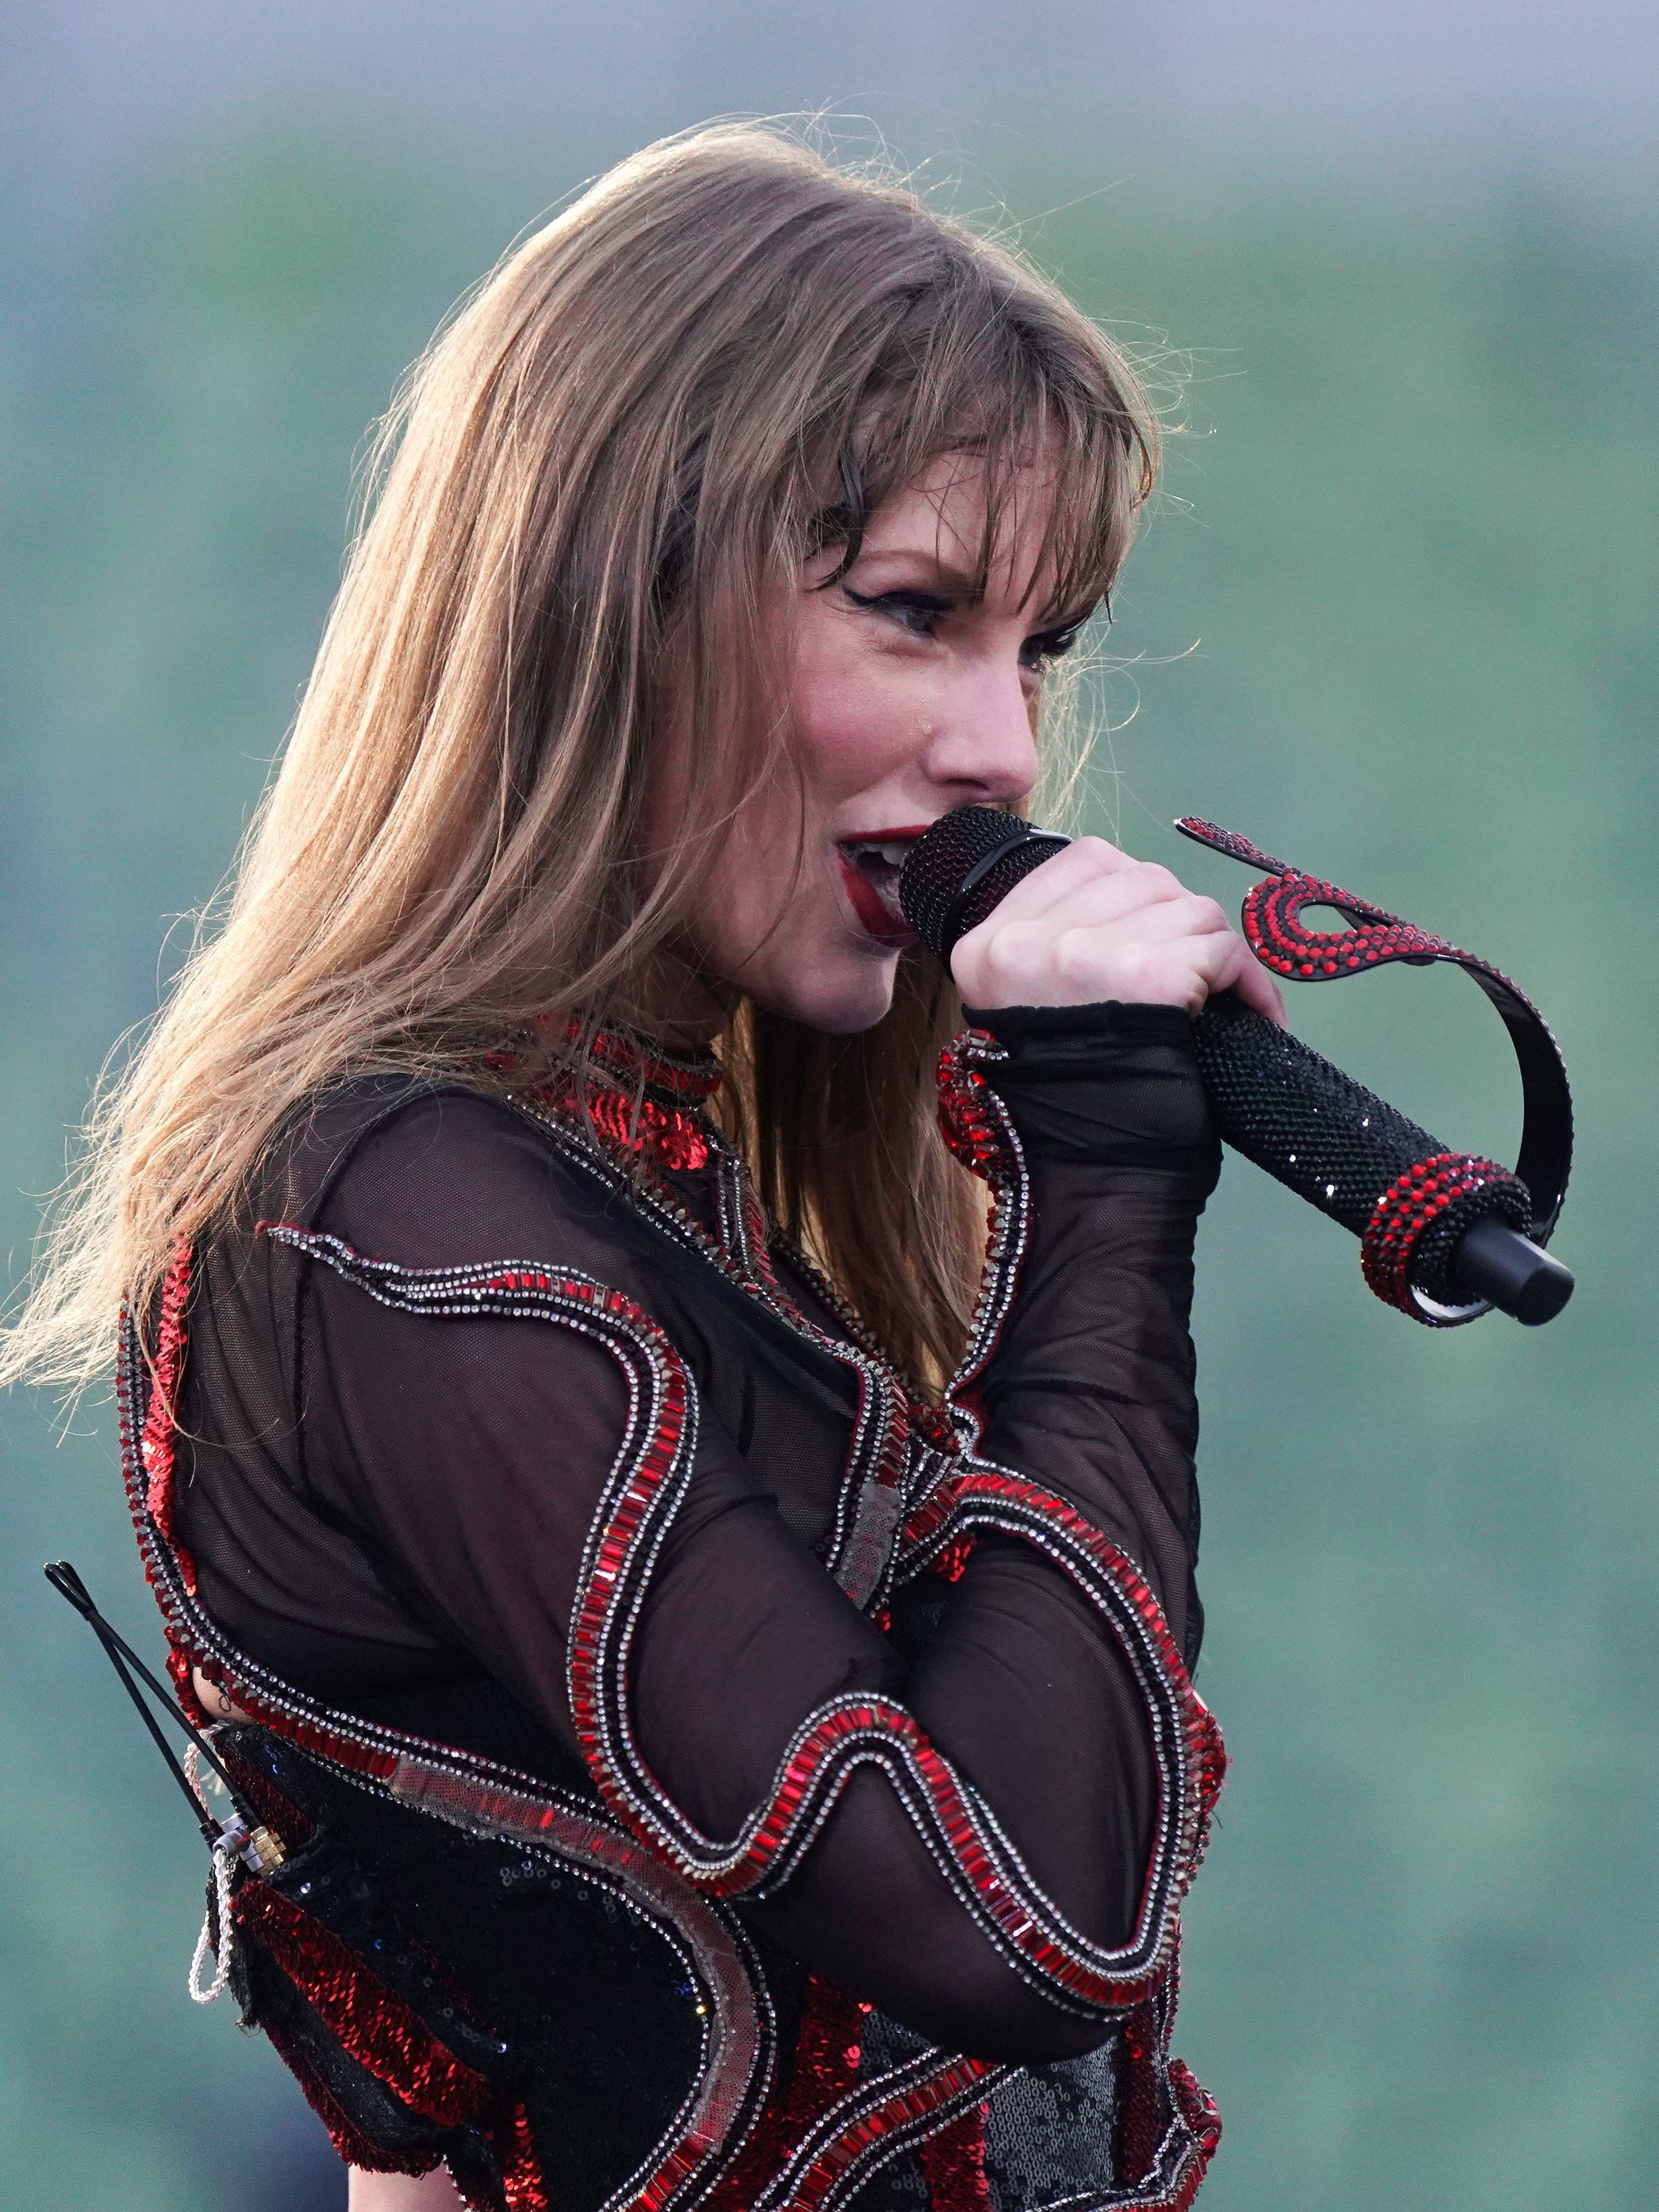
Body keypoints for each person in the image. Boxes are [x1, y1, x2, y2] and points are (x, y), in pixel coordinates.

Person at [8, 125, 1284, 2211]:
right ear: (614, 592)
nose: (1003, 750)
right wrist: (1114, 1176)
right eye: (914, 613)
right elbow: (1009, 1924)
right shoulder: (397, 1217)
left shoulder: (670, 1181)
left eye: (1033, 649)